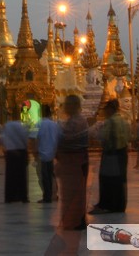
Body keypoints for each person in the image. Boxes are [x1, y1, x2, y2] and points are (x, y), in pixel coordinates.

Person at [90, 99, 130, 214]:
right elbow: (129, 136)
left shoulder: (110, 122)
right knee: (120, 179)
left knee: (107, 179)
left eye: (106, 110)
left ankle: (107, 205)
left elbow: (103, 137)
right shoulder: (123, 121)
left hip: (111, 154)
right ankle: (119, 205)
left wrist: (95, 131)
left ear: (111, 109)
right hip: (122, 154)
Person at [55, 95, 89, 230]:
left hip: (75, 161)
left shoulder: (77, 121)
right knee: (71, 193)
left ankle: (76, 220)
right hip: (72, 162)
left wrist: (58, 132)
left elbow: (67, 138)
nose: (65, 108)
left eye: (68, 105)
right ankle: (74, 219)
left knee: (75, 193)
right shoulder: (73, 121)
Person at [0, 111, 29, 203]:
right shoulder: (21, 126)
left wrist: (5, 148)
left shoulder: (7, 125)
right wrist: (26, 148)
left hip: (10, 152)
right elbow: (24, 138)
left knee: (10, 176)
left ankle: (9, 197)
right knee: (21, 175)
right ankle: (23, 197)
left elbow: (2, 138)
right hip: (20, 151)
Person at [36, 104, 60, 204]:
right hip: (52, 153)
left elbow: (35, 139)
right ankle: (54, 195)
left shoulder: (39, 124)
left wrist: (34, 152)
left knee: (44, 176)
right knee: (52, 175)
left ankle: (47, 197)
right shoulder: (54, 124)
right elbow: (59, 138)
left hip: (42, 154)